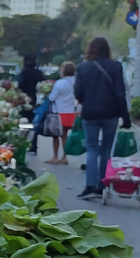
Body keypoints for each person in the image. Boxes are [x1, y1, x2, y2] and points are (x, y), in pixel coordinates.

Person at [73, 37, 130, 198]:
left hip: (89, 113)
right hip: (110, 113)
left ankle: (89, 185)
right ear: (107, 50)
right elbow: (120, 93)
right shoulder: (115, 66)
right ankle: (101, 185)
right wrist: (125, 116)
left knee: (91, 148)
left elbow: (77, 92)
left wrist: (88, 100)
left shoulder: (83, 68)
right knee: (106, 148)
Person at [44, 61, 78, 165]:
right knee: (65, 135)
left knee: (55, 136)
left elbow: (52, 97)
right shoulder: (76, 82)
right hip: (71, 112)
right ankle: (64, 157)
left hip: (58, 112)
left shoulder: (60, 83)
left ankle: (55, 156)